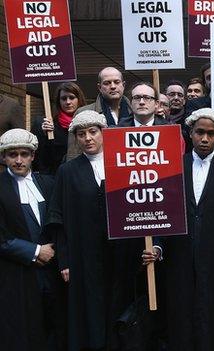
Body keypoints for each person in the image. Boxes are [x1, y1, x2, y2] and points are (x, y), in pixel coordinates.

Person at [46, 110, 141, 351]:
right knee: (88, 311)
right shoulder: (67, 171)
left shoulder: (123, 163)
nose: (87, 138)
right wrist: (64, 260)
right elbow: (58, 218)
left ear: (103, 133)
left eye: (92, 132)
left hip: (120, 253)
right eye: (81, 134)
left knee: (118, 304)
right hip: (83, 256)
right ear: (76, 138)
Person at [162, 108, 214, 351]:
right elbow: (163, 212)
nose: (205, 139)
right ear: (190, 133)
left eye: (211, 134)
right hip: (179, 258)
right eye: (200, 132)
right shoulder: (172, 167)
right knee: (181, 317)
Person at [0, 129, 66, 350]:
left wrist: (56, 251)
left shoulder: (47, 183)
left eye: (24, 154)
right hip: (18, 273)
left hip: (52, 270)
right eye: (12, 155)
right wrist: (36, 251)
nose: (19, 160)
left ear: (33, 156)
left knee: (56, 326)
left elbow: (59, 223)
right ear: (4, 157)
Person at [67, 67, 132, 160]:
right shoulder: (83, 112)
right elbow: (74, 152)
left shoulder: (136, 112)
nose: (113, 86)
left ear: (123, 85)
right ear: (99, 87)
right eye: (107, 83)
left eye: (117, 82)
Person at [34, 82, 86, 174]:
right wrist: (44, 135)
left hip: (82, 174)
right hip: (55, 176)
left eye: (72, 97)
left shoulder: (88, 123)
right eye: (63, 98)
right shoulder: (49, 125)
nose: (68, 102)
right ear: (59, 101)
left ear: (79, 99)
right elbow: (39, 157)